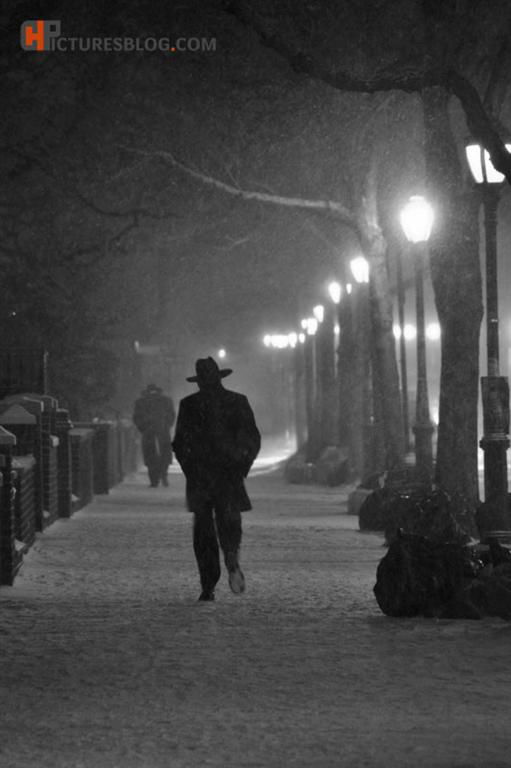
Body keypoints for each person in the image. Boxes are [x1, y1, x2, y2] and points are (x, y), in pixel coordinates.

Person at [172, 357, 261, 602]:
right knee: (229, 520)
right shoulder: (237, 402)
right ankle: (231, 555)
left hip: (201, 475)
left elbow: (180, 443)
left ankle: (208, 582)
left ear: (199, 381)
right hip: (228, 473)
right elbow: (252, 438)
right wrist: (242, 465)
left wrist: (190, 468)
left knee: (203, 530)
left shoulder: (189, 405)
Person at [133, 384, 176, 487]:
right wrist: (167, 425)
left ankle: (154, 479)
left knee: (150, 456)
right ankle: (163, 475)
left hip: (148, 431)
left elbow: (136, 417)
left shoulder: (141, 402)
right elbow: (172, 415)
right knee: (164, 454)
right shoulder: (166, 400)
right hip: (162, 431)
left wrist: (142, 428)